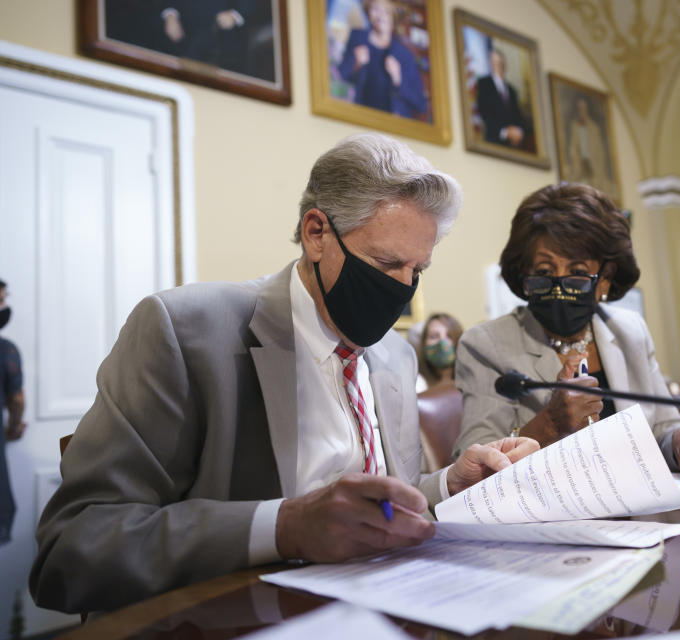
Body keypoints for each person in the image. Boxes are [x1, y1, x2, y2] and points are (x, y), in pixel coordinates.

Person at [30, 134, 538, 613]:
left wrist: (448, 483)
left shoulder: (394, 356)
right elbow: (71, 548)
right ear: (317, 233)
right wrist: (286, 525)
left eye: (417, 271)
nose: (402, 290)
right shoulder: (185, 332)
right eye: (386, 265)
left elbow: (379, 507)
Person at [452, 183, 680, 486]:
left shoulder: (629, 331)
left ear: (605, 279)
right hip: (550, 516)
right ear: (524, 277)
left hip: (638, 508)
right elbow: (474, 464)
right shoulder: (487, 345)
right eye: (545, 273)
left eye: (576, 273)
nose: (560, 287)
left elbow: (663, 424)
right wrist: (550, 424)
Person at [337, 0, 428, 118]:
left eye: (386, 11)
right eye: (375, 9)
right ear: (368, 12)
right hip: (360, 117)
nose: (380, 16)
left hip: (392, 125)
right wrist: (356, 64)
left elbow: (421, 104)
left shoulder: (405, 55)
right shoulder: (357, 38)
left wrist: (399, 80)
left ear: (394, 17)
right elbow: (341, 74)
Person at [0, 279, 25, 546]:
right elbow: (16, 399)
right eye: (0, 301)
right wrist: (14, 427)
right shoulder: (5, 351)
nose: (5, 307)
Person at [475, 48, 526, 148]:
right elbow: (483, 112)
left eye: (499, 63)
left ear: (504, 65)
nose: (497, 66)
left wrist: (518, 131)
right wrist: (505, 132)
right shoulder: (484, 84)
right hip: (493, 140)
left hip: (513, 144)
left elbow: (518, 117)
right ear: (491, 64)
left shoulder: (511, 90)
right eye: (494, 63)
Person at [566, 98, 614, 196]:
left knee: (595, 184)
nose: (581, 111)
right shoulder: (574, 126)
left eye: (583, 108)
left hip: (592, 160)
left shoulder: (593, 127)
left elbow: (599, 148)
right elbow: (573, 145)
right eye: (579, 109)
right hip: (580, 160)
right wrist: (575, 156)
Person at [416, 313, 462, 392]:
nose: (442, 342)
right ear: (424, 343)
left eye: (449, 336)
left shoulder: (471, 383)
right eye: (434, 336)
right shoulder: (417, 384)